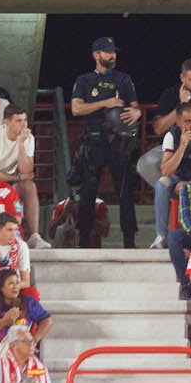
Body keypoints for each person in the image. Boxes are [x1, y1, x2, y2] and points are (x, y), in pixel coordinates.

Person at [68, 36, 142, 249]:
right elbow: (76, 108)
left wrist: (136, 113)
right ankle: (84, 242)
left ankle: (130, 242)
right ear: (96, 55)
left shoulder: (124, 79)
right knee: (88, 193)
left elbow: (135, 106)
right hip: (93, 141)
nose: (112, 55)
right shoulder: (84, 80)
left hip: (119, 143)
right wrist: (104, 103)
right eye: (108, 52)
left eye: (114, 52)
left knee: (125, 192)